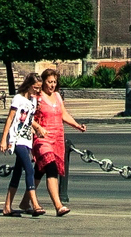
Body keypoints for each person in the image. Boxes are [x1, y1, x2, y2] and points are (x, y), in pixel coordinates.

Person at [35, 68, 88, 217]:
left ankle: (26, 200)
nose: (52, 85)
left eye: (54, 82)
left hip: (57, 138)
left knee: (39, 170)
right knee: (51, 168)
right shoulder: (38, 97)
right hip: (42, 139)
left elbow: (63, 114)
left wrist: (77, 125)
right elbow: (27, 116)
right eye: (49, 82)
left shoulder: (57, 96)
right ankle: (58, 206)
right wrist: (37, 128)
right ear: (43, 82)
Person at [0, 73, 44, 217]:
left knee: (17, 173)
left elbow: (28, 121)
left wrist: (36, 130)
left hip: (27, 140)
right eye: (36, 88)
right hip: (16, 139)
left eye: (39, 88)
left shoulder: (33, 101)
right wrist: (4, 139)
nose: (38, 91)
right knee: (29, 170)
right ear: (29, 85)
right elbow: (10, 119)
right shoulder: (18, 99)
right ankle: (35, 204)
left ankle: (7, 207)